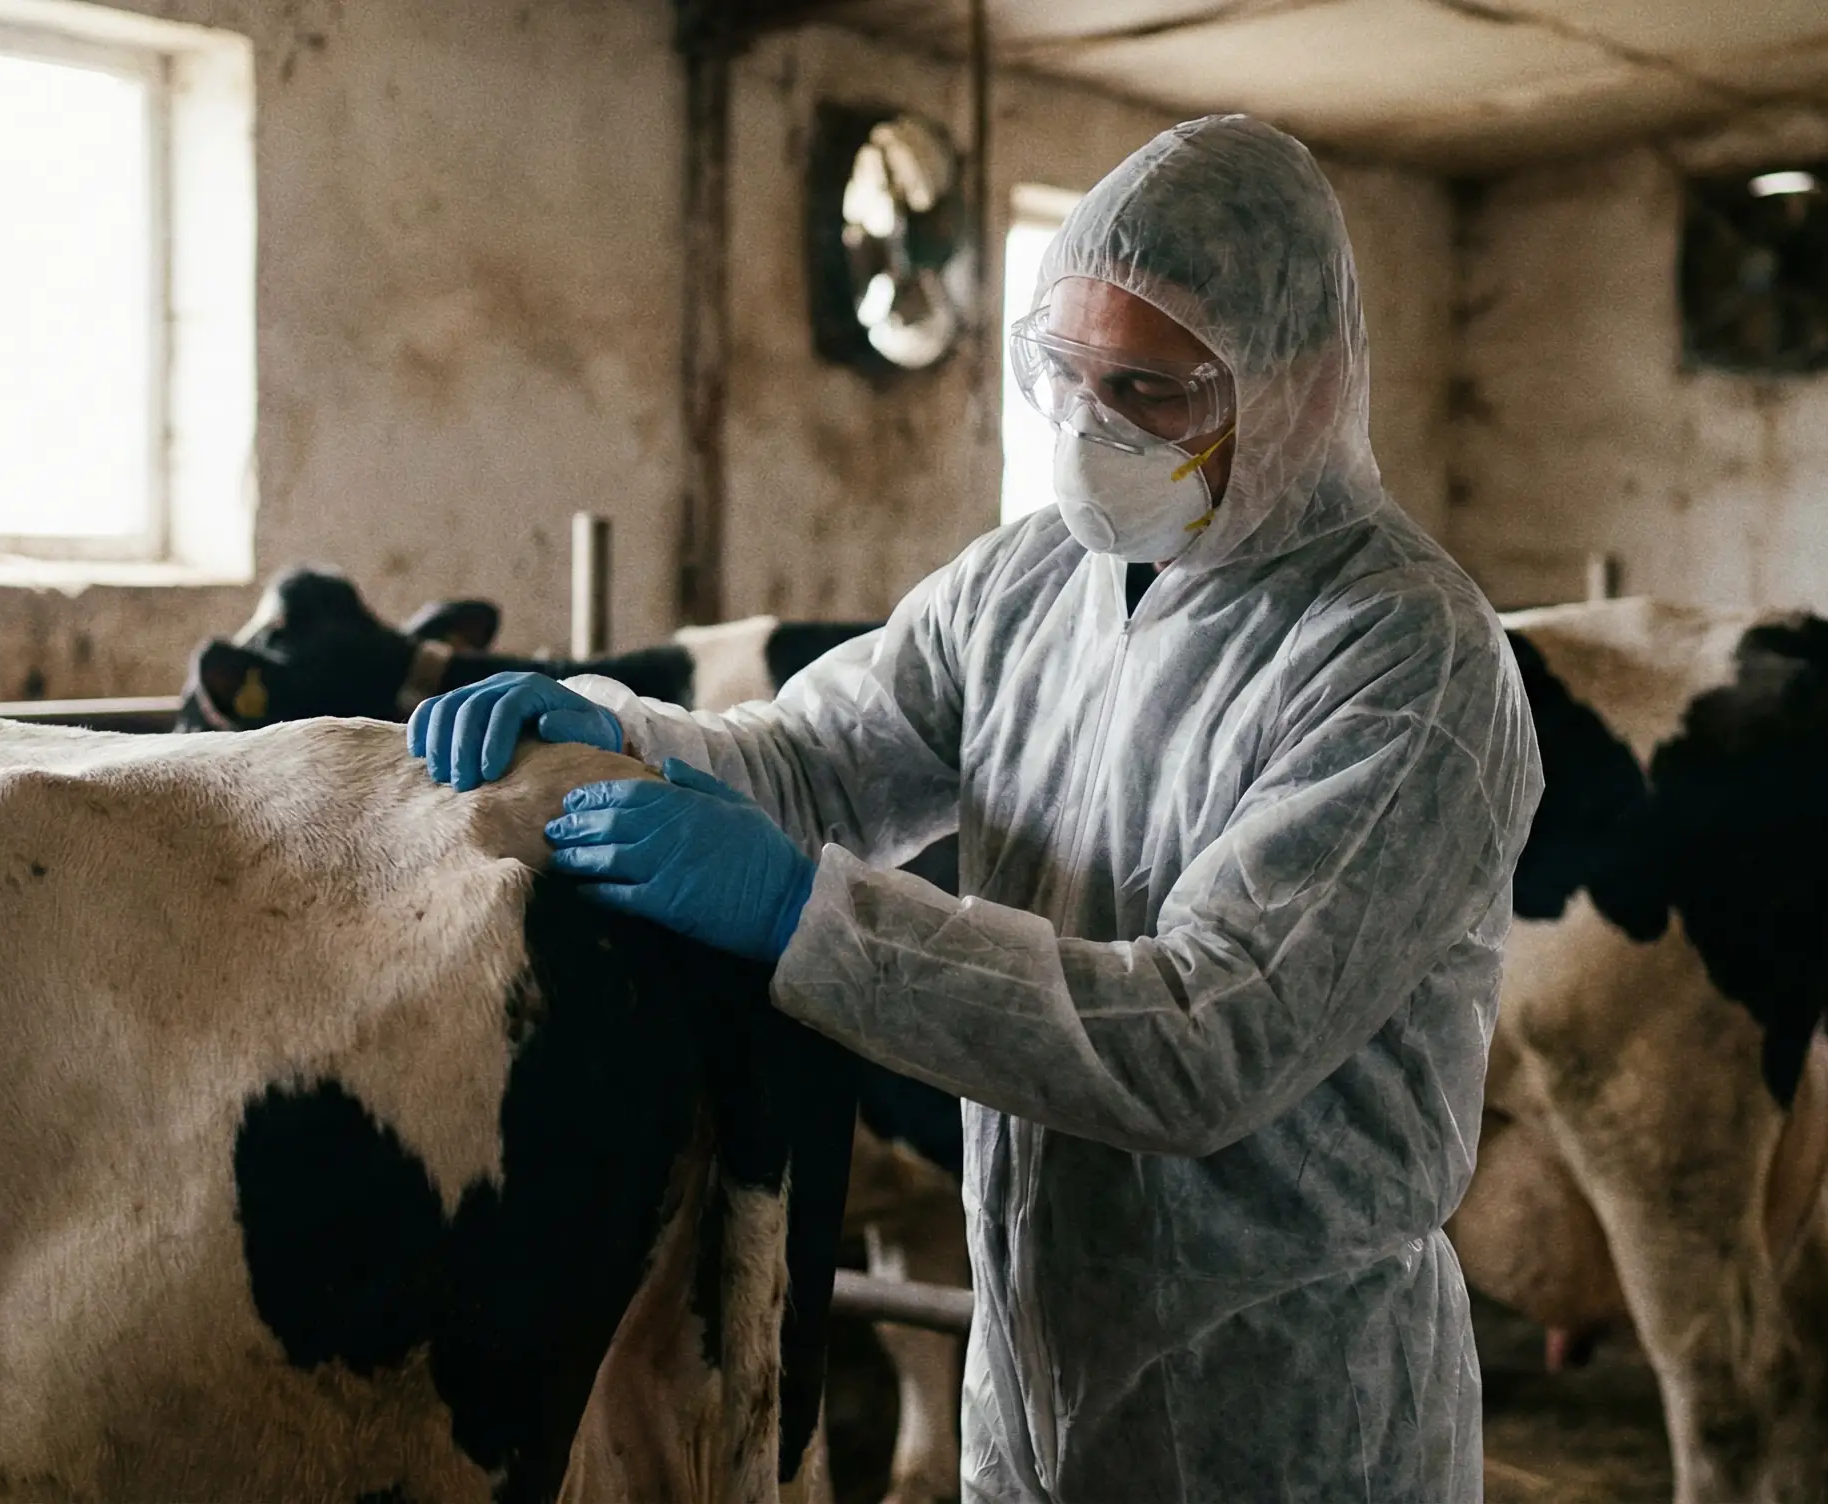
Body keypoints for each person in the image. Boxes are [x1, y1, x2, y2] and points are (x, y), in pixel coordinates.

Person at [409, 115, 1541, 1503]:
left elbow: (1205, 1035)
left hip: (1288, 1420)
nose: (1091, 429)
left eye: (1153, 392)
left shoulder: (1408, 664)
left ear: (1300, 385)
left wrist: (800, 916)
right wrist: (627, 735)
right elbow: (823, 760)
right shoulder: (1029, 584)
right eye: (1062, 375)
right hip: (1036, 1375)